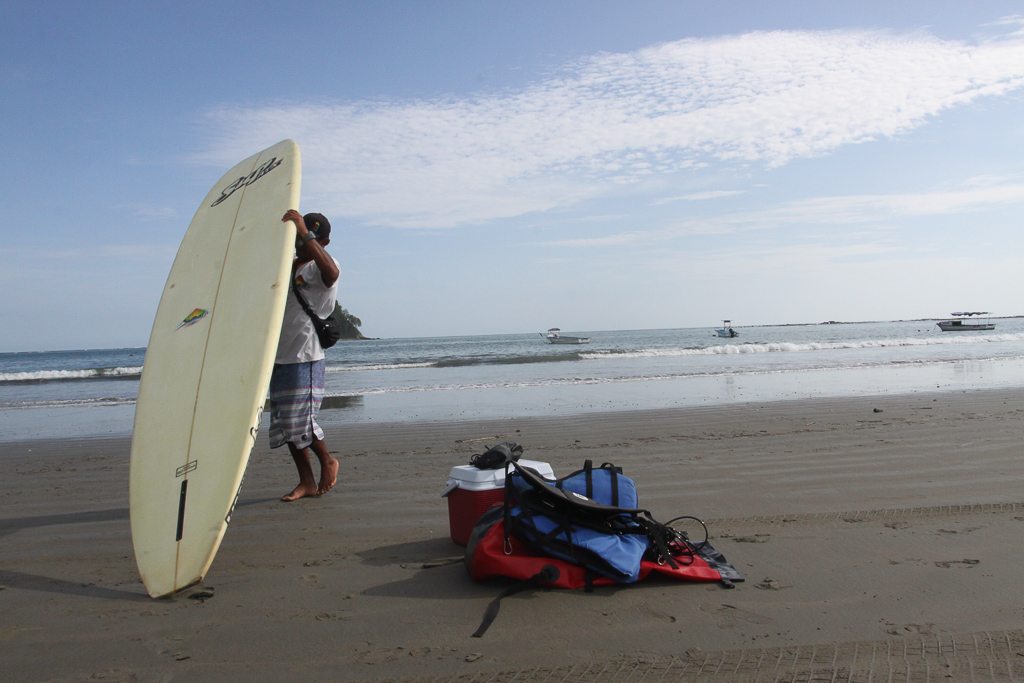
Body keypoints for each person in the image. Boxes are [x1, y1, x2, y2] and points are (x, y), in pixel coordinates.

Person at [269, 209, 342, 502]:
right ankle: (306, 482)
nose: (300, 243)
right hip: (279, 357)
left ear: (323, 242)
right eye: (297, 238)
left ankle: (328, 460)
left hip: (305, 356)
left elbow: (332, 274)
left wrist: (304, 231)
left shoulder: (322, 266)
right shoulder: (286, 268)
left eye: (308, 237)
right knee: (287, 425)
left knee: (302, 421)